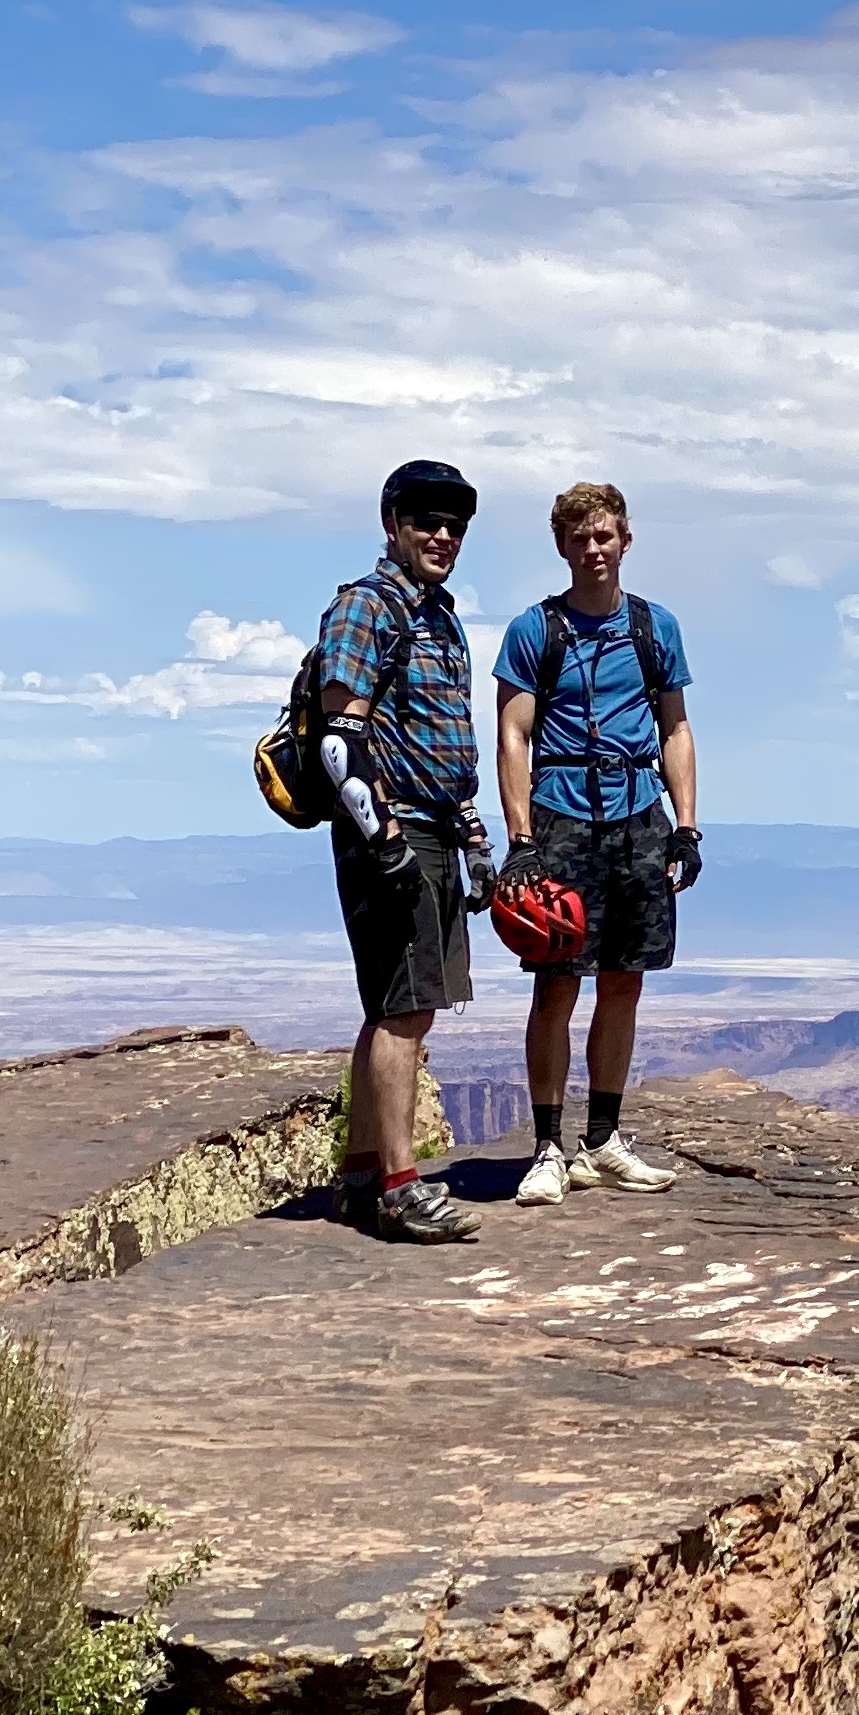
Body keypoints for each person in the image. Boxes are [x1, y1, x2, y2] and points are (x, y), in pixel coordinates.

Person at [493, 480, 701, 1201]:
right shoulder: (534, 631)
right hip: (559, 818)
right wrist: (520, 840)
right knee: (556, 984)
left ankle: (603, 1141)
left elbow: (675, 728)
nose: (594, 549)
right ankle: (549, 1148)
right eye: (580, 538)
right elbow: (513, 735)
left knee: (624, 981)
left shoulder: (654, 628)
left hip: (639, 815)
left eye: (605, 535)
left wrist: (687, 824)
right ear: (561, 545)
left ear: (625, 540)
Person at [317, 459, 492, 1243]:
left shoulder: (440, 616)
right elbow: (339, 739)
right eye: (426, 520)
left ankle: (360, 1177)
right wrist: (383, 837)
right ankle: (397, 1186)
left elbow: (443, 743)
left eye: (454, 524)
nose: (442, 535)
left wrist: (476, 841)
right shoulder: (367, 607)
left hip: (434, 829)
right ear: (392, 524)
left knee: (394, 1005)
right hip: (392, 831)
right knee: (405, 1009)